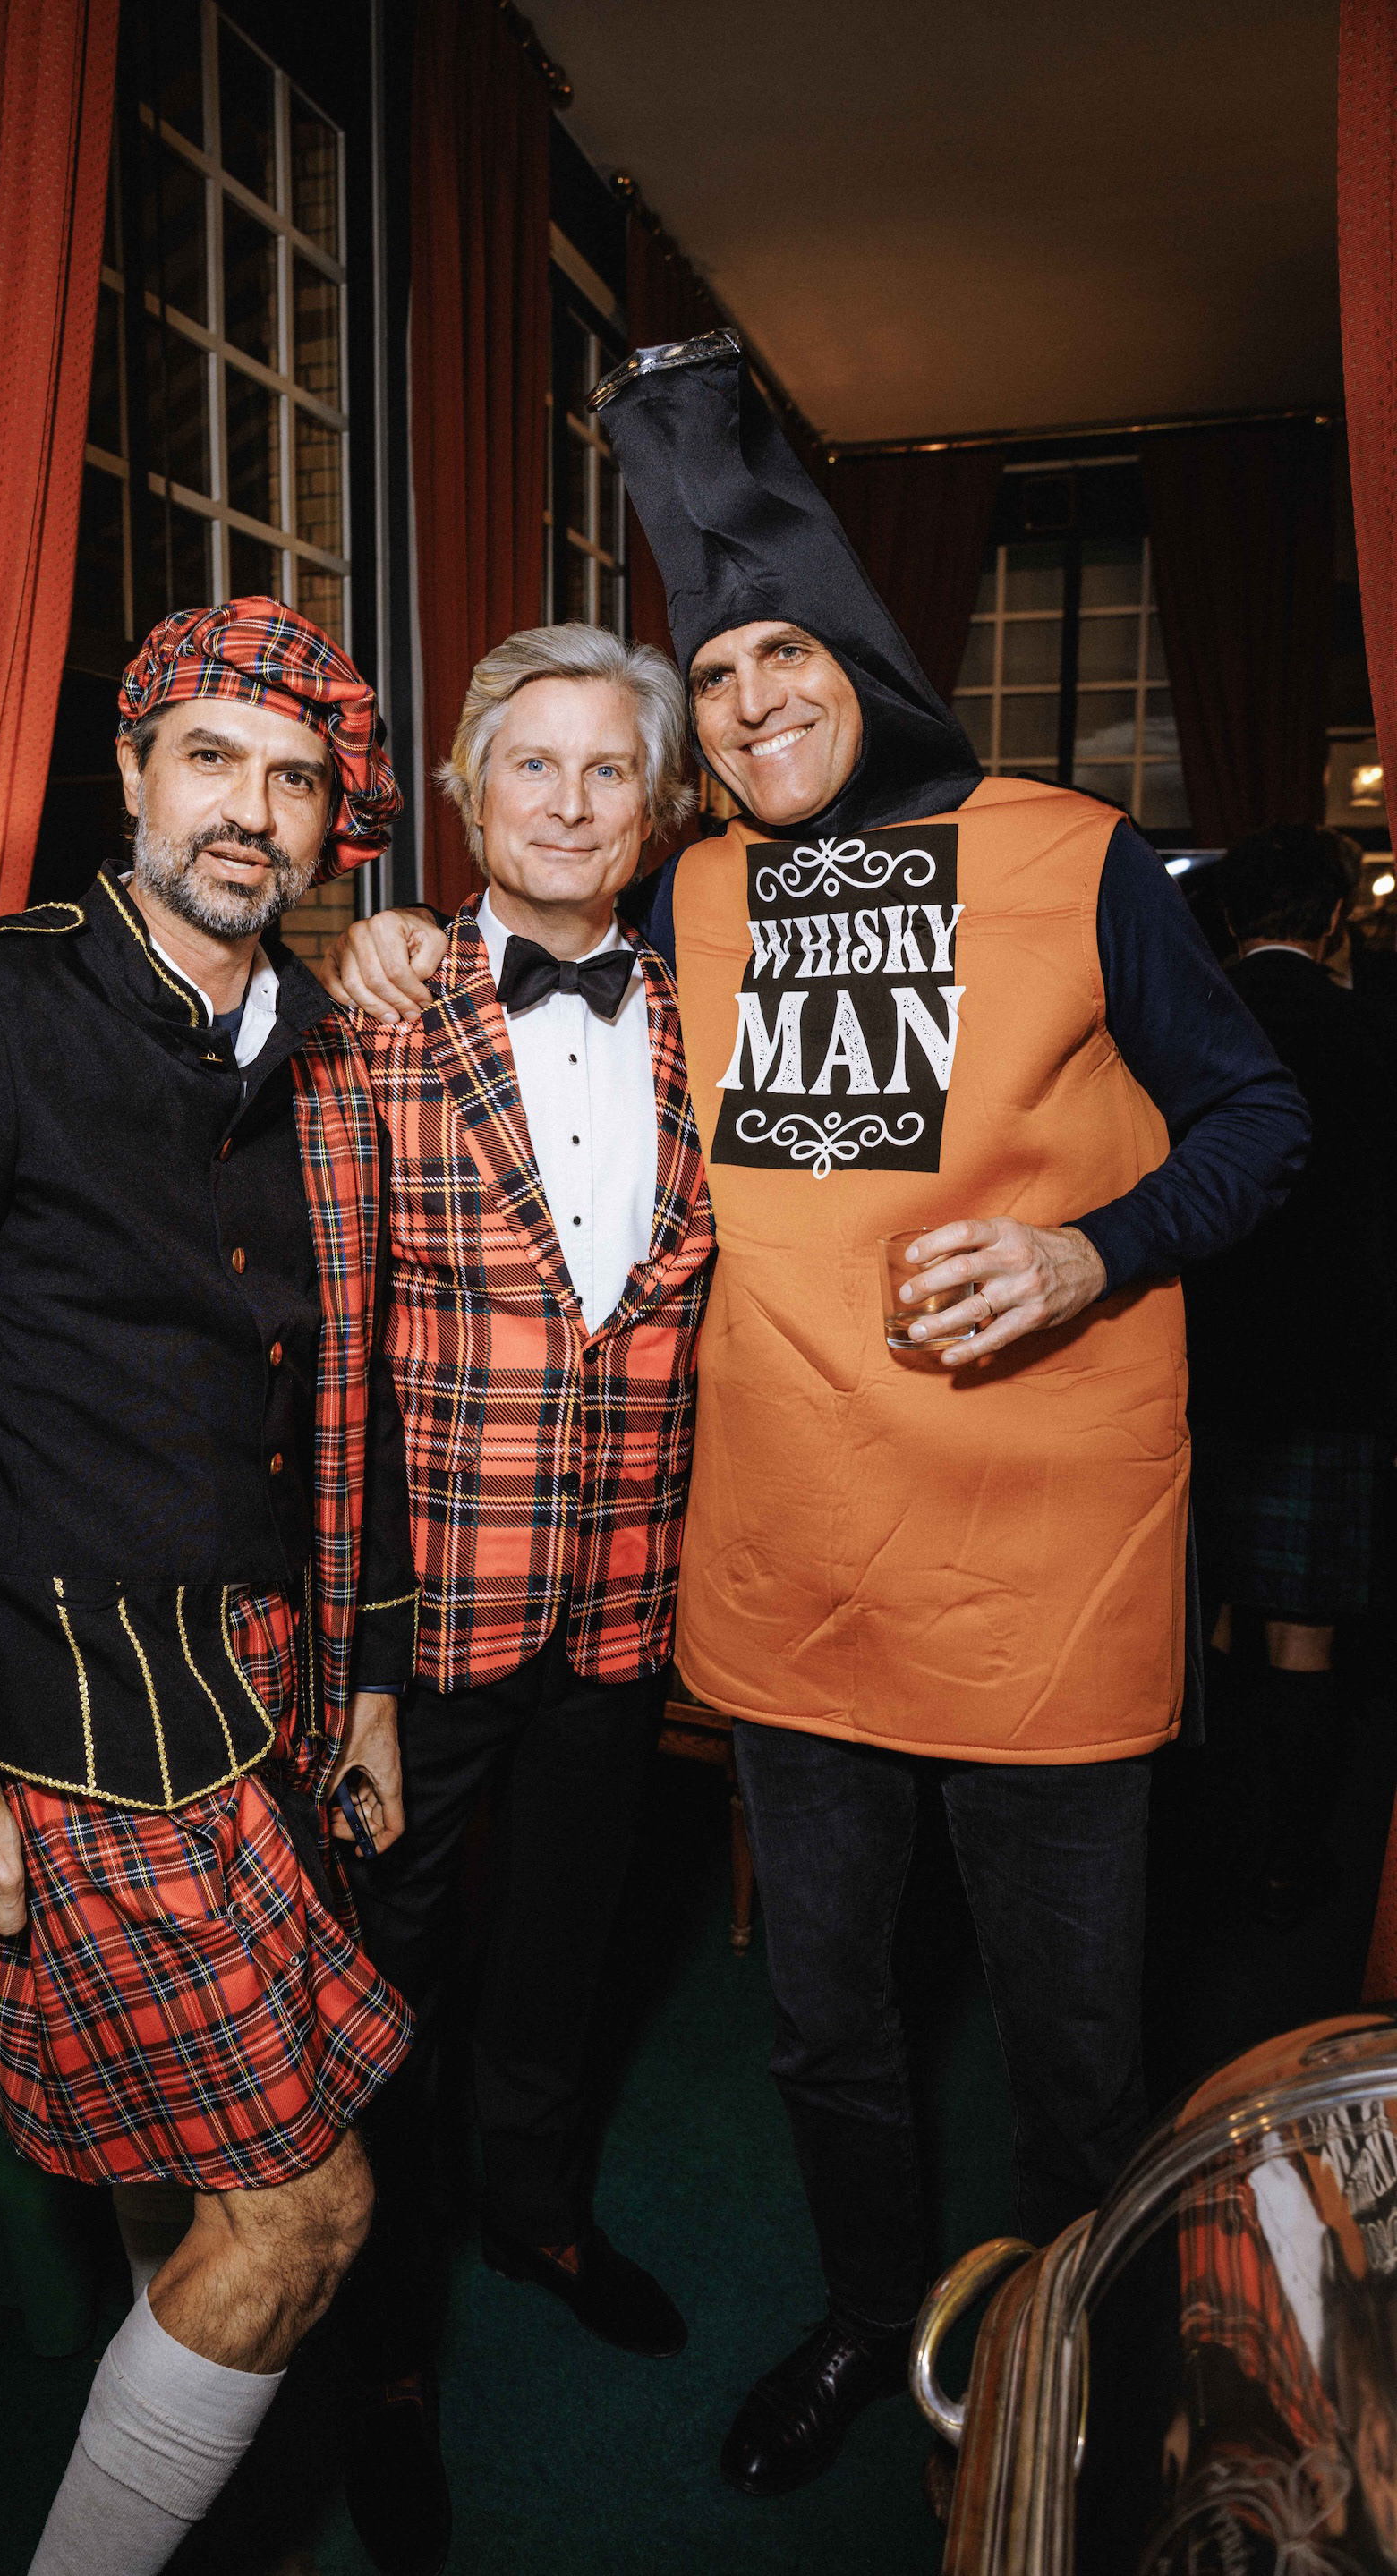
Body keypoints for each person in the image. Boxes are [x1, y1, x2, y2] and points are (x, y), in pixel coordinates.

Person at [320, 331, 1311, 2500]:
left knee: (1071, 2041)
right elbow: (511, 989)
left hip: (1044, 1573)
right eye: (721, 674)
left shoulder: (1079, 854)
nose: (758, 700)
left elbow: (1265, 1123)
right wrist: (374, 937)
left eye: (789, 655)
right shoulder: (690, 894)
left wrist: (1094, 1250)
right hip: (782, 1575)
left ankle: (1060, 2380)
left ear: (866, 656)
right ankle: (875, 2310)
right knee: (824, 2015)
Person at [0, 597, 421, 2576]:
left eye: (297, 777)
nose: (252, 808)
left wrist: (368, 1678)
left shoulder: (319, 1041)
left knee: (191, 2181)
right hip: (72, 1721)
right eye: (213, 757)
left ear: (331, 824)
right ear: (134, 772)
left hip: (266, 1683)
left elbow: (343, 1388)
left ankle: (192, 2486)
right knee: (309, 2211)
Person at [336, 625, 715, 2576]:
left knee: (566, 1941)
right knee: (390, 1988)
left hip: (628, 1599)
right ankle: (384, 2343)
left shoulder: (718, 1020)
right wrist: (353, 1644)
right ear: (470, 797)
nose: (571, 803)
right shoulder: (370, 1010)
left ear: (658, 807)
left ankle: (542, 2212)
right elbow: (323, 1350)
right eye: (533, 765)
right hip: (425, 1619)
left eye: (608, 768)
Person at [1184, 826, 1396, 1927]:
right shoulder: (1375, 1033)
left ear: (1228, 917)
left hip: (1203, 1363)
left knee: (1211, 1617)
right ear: (1334, 918)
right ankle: (1289, 1861)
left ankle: (1209, 1847)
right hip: (1336, 1372)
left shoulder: (1186, 1025)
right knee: (1305, 1632)